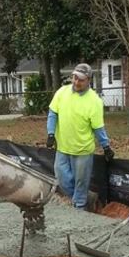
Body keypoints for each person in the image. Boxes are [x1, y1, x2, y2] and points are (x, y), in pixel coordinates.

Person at [45, 63, 114, 210]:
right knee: (62, 180)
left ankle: (80, 208)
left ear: (88, 80)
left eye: (81, 80)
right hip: (63, 147)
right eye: (75, 78)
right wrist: (50, 133)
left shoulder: (94, 101)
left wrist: (106, 146)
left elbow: (98, 128)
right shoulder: (62, 92)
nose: (76, 82)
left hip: (83, 150)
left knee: (80, 183)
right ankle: (87, 198)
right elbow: (53, 113)